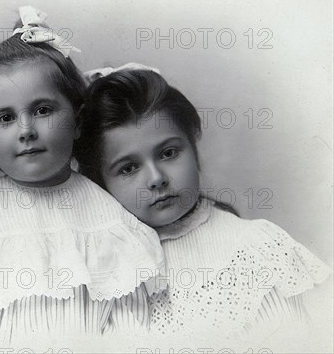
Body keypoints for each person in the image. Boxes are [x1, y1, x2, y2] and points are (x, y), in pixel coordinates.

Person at [0, 7, 165, 351]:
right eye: (5, 118)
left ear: (77, 121)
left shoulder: (114, 223)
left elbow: (135, 328)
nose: (27, 130)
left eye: (43, 110)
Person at [75, 67, 331, 350]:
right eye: (129, 168)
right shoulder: (100, 269)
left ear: (192, 142)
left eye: (168, 153)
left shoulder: (256, 246)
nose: (156, 178)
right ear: (100, 181)